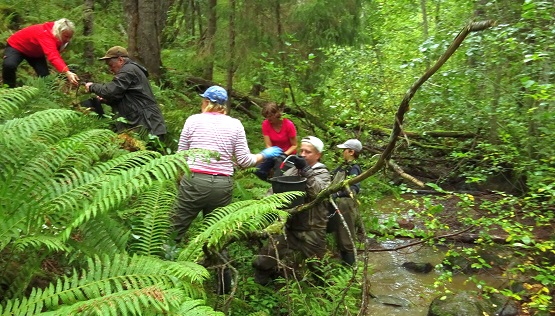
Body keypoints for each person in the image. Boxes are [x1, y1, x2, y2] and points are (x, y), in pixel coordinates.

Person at [175, 85, 283, 293]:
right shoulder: (235, 125)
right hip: (223, 184)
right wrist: (264, 154)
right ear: (224, 106)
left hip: (194, 181)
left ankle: (160, 276)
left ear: (206, 102)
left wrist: (182, 179)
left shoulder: (193, 120)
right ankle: (224, 286)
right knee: (216, 234)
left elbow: (180, 156)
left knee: (174, 230)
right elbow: (244, 161)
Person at [253, 136, 331, 285]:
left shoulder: (322, 172)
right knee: (264, 259)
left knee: (320, 270)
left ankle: (331, 297)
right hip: (290, 227)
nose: (302, 154)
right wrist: (262, 205)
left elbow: (318, 193)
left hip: (312, 230)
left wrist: (306, 170)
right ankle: (259, 289)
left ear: (318, 155)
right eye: (301, 150)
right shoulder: (294, 170)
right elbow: (276, 189)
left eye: (307, 152)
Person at [84, 46, 166, 138]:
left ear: (120, 60)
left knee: (149, 151)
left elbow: (110, 91)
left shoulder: (128, 70)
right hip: (145, 123)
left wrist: (92, 86)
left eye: (111, 65)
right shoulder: (130, 70)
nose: (110, 69)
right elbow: (125, 98)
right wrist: (106, 100)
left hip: (147, 124)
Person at [2, 18, 79, 88]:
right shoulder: (46, 35)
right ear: (59, 32)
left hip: (35, 53)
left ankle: (46, 98)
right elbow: (53, 56)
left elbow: (56, 53)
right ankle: (9, 92)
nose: (68, 40)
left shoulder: (58, 33)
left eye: (70, 37)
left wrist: (66, 71)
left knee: (45, 77)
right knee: (9, 65)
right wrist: (67, 72)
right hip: (17, 46)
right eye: (66, 36)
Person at [327, 139, 363, 266]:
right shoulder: (343, 166)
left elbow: (354, 188)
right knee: (339, 236)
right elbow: (331, 175)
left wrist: (337, 194)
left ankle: (349, 269)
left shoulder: (354, 168)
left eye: (344, 150)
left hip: (346, 205)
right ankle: (344, 265)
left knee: (346, 237)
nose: (343, 152)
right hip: (338, 205)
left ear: (351, 152)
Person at [254, 102, 298, 181]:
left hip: (287, 154)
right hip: (274, 153)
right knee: (258, 170)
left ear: (277, 114)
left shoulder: (288, 124)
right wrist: (272, 153)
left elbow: (294, 145)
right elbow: (268, 144)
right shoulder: (266, 124)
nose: (269, 119)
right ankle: (269, 180)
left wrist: (284, 154)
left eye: (271, 116)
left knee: (280, 176)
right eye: (267, 117)